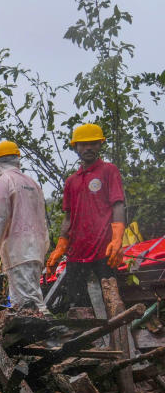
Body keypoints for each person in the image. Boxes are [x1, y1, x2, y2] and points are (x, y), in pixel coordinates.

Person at [46, 123, 126, 308]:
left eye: (93, 143)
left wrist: (117, 238)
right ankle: (85, 336)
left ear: (100, 145)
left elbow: (118, 204)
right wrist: (60, 246)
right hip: (77, 252)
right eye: (83, 144)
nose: (88, 147)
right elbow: (68, 217)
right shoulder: (71, 181)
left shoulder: (108, 170)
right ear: (75, 147)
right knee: (77, 304)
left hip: (104, 249)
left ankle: (117, 335)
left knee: (112, 301)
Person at [0, 141, 49, 311]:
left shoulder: (4, 181)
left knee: (28, 303)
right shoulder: (33, 183)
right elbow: (41, 218)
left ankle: (50, 333)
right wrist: (44, 248)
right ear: (17, 160)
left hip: (18, 249)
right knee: (30, 296)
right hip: (36, 248)